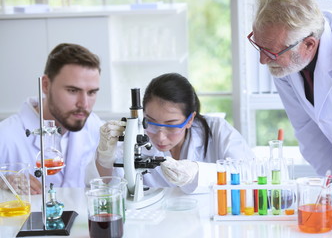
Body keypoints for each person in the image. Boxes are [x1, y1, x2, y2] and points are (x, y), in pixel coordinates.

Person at [249, 0, 332, 176]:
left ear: (309, 44)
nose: (262, 60)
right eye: (259, 46)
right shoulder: (283, 60)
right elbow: (307, 129)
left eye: (270, 51)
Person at [92, 73, 254, 194]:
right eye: (152, 122)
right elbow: (107, 182)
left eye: (171, 125)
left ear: (190, 119)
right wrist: (105, 156)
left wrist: (197, 173)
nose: (160, 137)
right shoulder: (138, 134)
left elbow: (247, 171)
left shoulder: (216, 130)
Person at [0, 43, 103, 194]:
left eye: (92, 92)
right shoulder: (6, 135)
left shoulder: (96, 127)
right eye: (73, 90)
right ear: (46, 85)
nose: (84, 104)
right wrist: (2, 183)